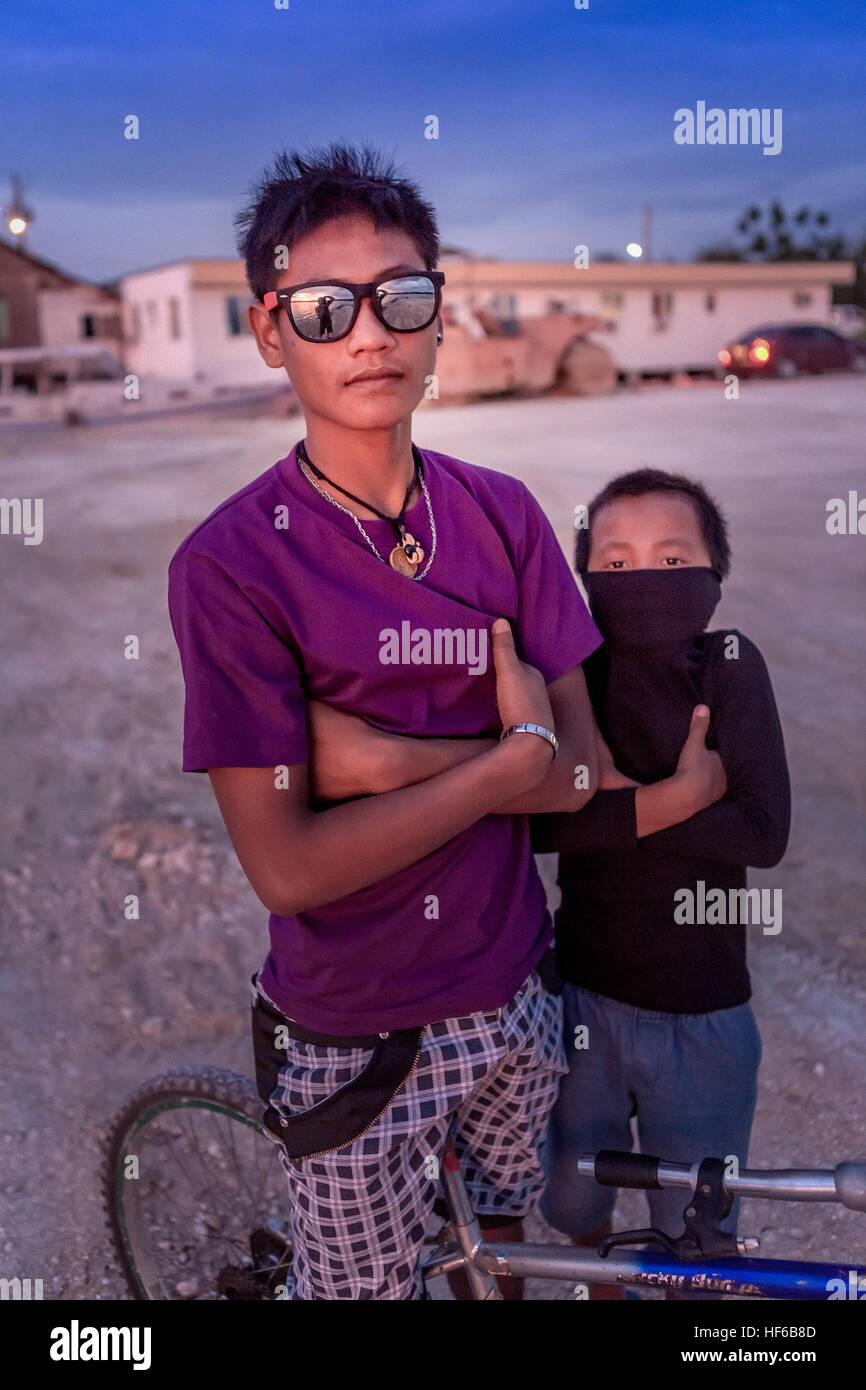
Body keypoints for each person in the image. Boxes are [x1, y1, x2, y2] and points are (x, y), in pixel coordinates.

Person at [166, 143, 603, 1300]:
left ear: (436, 317)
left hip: (515, 992)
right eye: (322, 307)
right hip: (355, 1034)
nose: (369, 332)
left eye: (401, 296)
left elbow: (577, 781)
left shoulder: (502, 517)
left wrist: (380, 761)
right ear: (270, 331)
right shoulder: (229, 566)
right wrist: (505, 757)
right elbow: (291, 868)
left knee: (493, 1258)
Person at [530, 467, 791, 1298]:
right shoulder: (574, 674)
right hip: (583, 1006)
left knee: (696, 1236)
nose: (644, 578)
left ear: (716, 573)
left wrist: (621, 807)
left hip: (706, 1018)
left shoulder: (731, 664)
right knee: (576, 1206)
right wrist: (681, 796)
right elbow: (539, 826)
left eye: (674, 560)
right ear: (584, 581)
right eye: (614, 564)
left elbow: (764, 834)